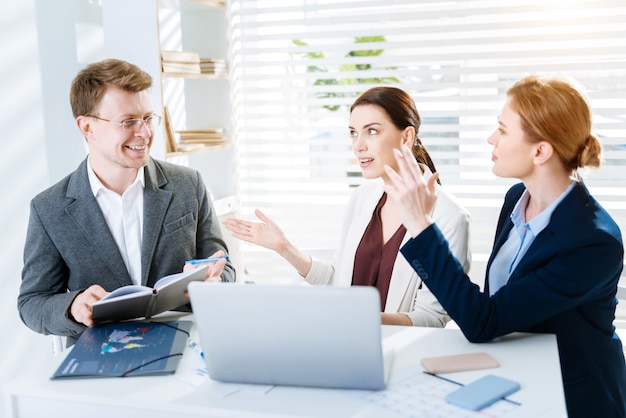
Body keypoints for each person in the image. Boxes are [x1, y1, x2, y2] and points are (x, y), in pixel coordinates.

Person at [384, 75, 626, 417]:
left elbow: (484, 320)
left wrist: (422, 225)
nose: (490, 138)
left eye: (502, 130)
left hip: (573, 396)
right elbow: (497, 306)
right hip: (515, 376)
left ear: (540, 151)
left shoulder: (594, 241)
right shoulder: (516, 199)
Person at [18, 58, 235, 345]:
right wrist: (72, 306)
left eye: (147, 118)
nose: (144, 133)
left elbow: (223, 266)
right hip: (103, 354)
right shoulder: (49, 209)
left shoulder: (188, 184)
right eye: (128, 121)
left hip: (187, 342)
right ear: (86, 127)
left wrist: (214, 279)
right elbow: (32, 303)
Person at [223, 86, 471, 327]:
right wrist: (283, 247)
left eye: (372, 131)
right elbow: (338, 282)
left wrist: (360, 320)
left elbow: (432, 317)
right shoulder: (362, 199)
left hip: (404, 352)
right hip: (348, 342)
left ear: (406, 137)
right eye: (353, 132)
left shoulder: (450, 216)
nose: (358, 145)